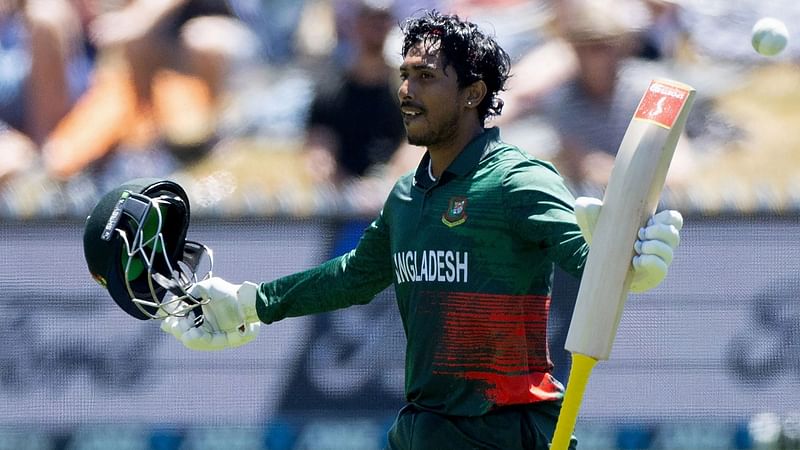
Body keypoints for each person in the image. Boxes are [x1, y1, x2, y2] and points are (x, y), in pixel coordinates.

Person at [104, 10, 683, 449]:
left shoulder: (519, 180)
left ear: (474, 93)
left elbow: (591, 262)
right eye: (403, 75)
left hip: (509, 430)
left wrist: (632, 264)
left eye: (425, 77)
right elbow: (356, 276)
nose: (405, 91)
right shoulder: (407, 195)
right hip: (423, 428)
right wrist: (252, 302)